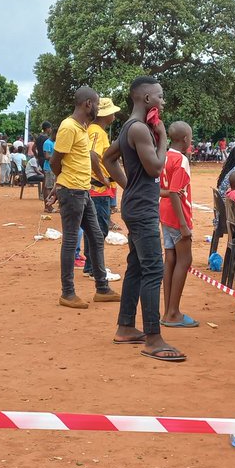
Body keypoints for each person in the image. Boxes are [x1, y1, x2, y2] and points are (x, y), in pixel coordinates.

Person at [105, 76, 184, 362]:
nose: (163, 101)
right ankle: (153, 337)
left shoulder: (129, 126)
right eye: (160, 97)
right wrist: (162, 137)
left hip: (136, 205)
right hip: (142, 209)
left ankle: (125, 327)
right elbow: (155, 168)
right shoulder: (139, 129)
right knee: (153, 270)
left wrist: (128, 185)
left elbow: (108, 157)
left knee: (137, 268)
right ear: (147, 99)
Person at [51, 87, 119, 310]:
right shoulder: (68, 127)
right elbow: (55, 160)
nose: (99, 108)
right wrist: (61, 181)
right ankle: (67, 293)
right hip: (72, 191)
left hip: (83, 190)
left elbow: (88, 155)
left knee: (96, 236)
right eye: (97, 103)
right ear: (88, 104)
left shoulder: (83, 128)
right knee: (71, 241)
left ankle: (102, 288)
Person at [160, 121, 197, 328]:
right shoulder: (181, 160)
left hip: (164, 213)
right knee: (185, 259)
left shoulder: (163, 156)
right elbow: (175, 191)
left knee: (171, 258)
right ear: (185, 139)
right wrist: (183, 225)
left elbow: (162, 188)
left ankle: (168, 311)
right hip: (177, 215)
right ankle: (173, 313)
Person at [84, 98, 121, 281]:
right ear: (106, 114)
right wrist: (102, 178)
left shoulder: (95, 130)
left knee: (93, 228)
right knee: (100, 230)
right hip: (98, 190)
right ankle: (95, 268)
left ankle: (90, 264)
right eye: (112, 112)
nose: (115, 115)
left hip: (96, 188)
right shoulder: (97, 132)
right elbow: (92, 154)